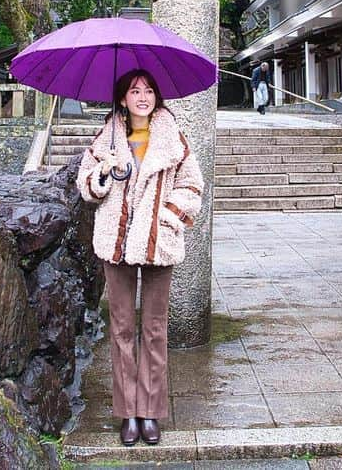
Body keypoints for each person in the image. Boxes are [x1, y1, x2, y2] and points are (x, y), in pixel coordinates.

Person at [76, 69, 204, 447]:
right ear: (122, 99)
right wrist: (104, 171)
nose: (143, 96)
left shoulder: (173, 138)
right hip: (115, 244)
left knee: (154, 328)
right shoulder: (107, 137)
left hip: (155, 243)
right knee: (121, 328)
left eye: (148, 90)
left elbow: (193, 186)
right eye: (135, 90)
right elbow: (86, 184)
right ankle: (128, 412)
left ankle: (150, 411)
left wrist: (165, 219)